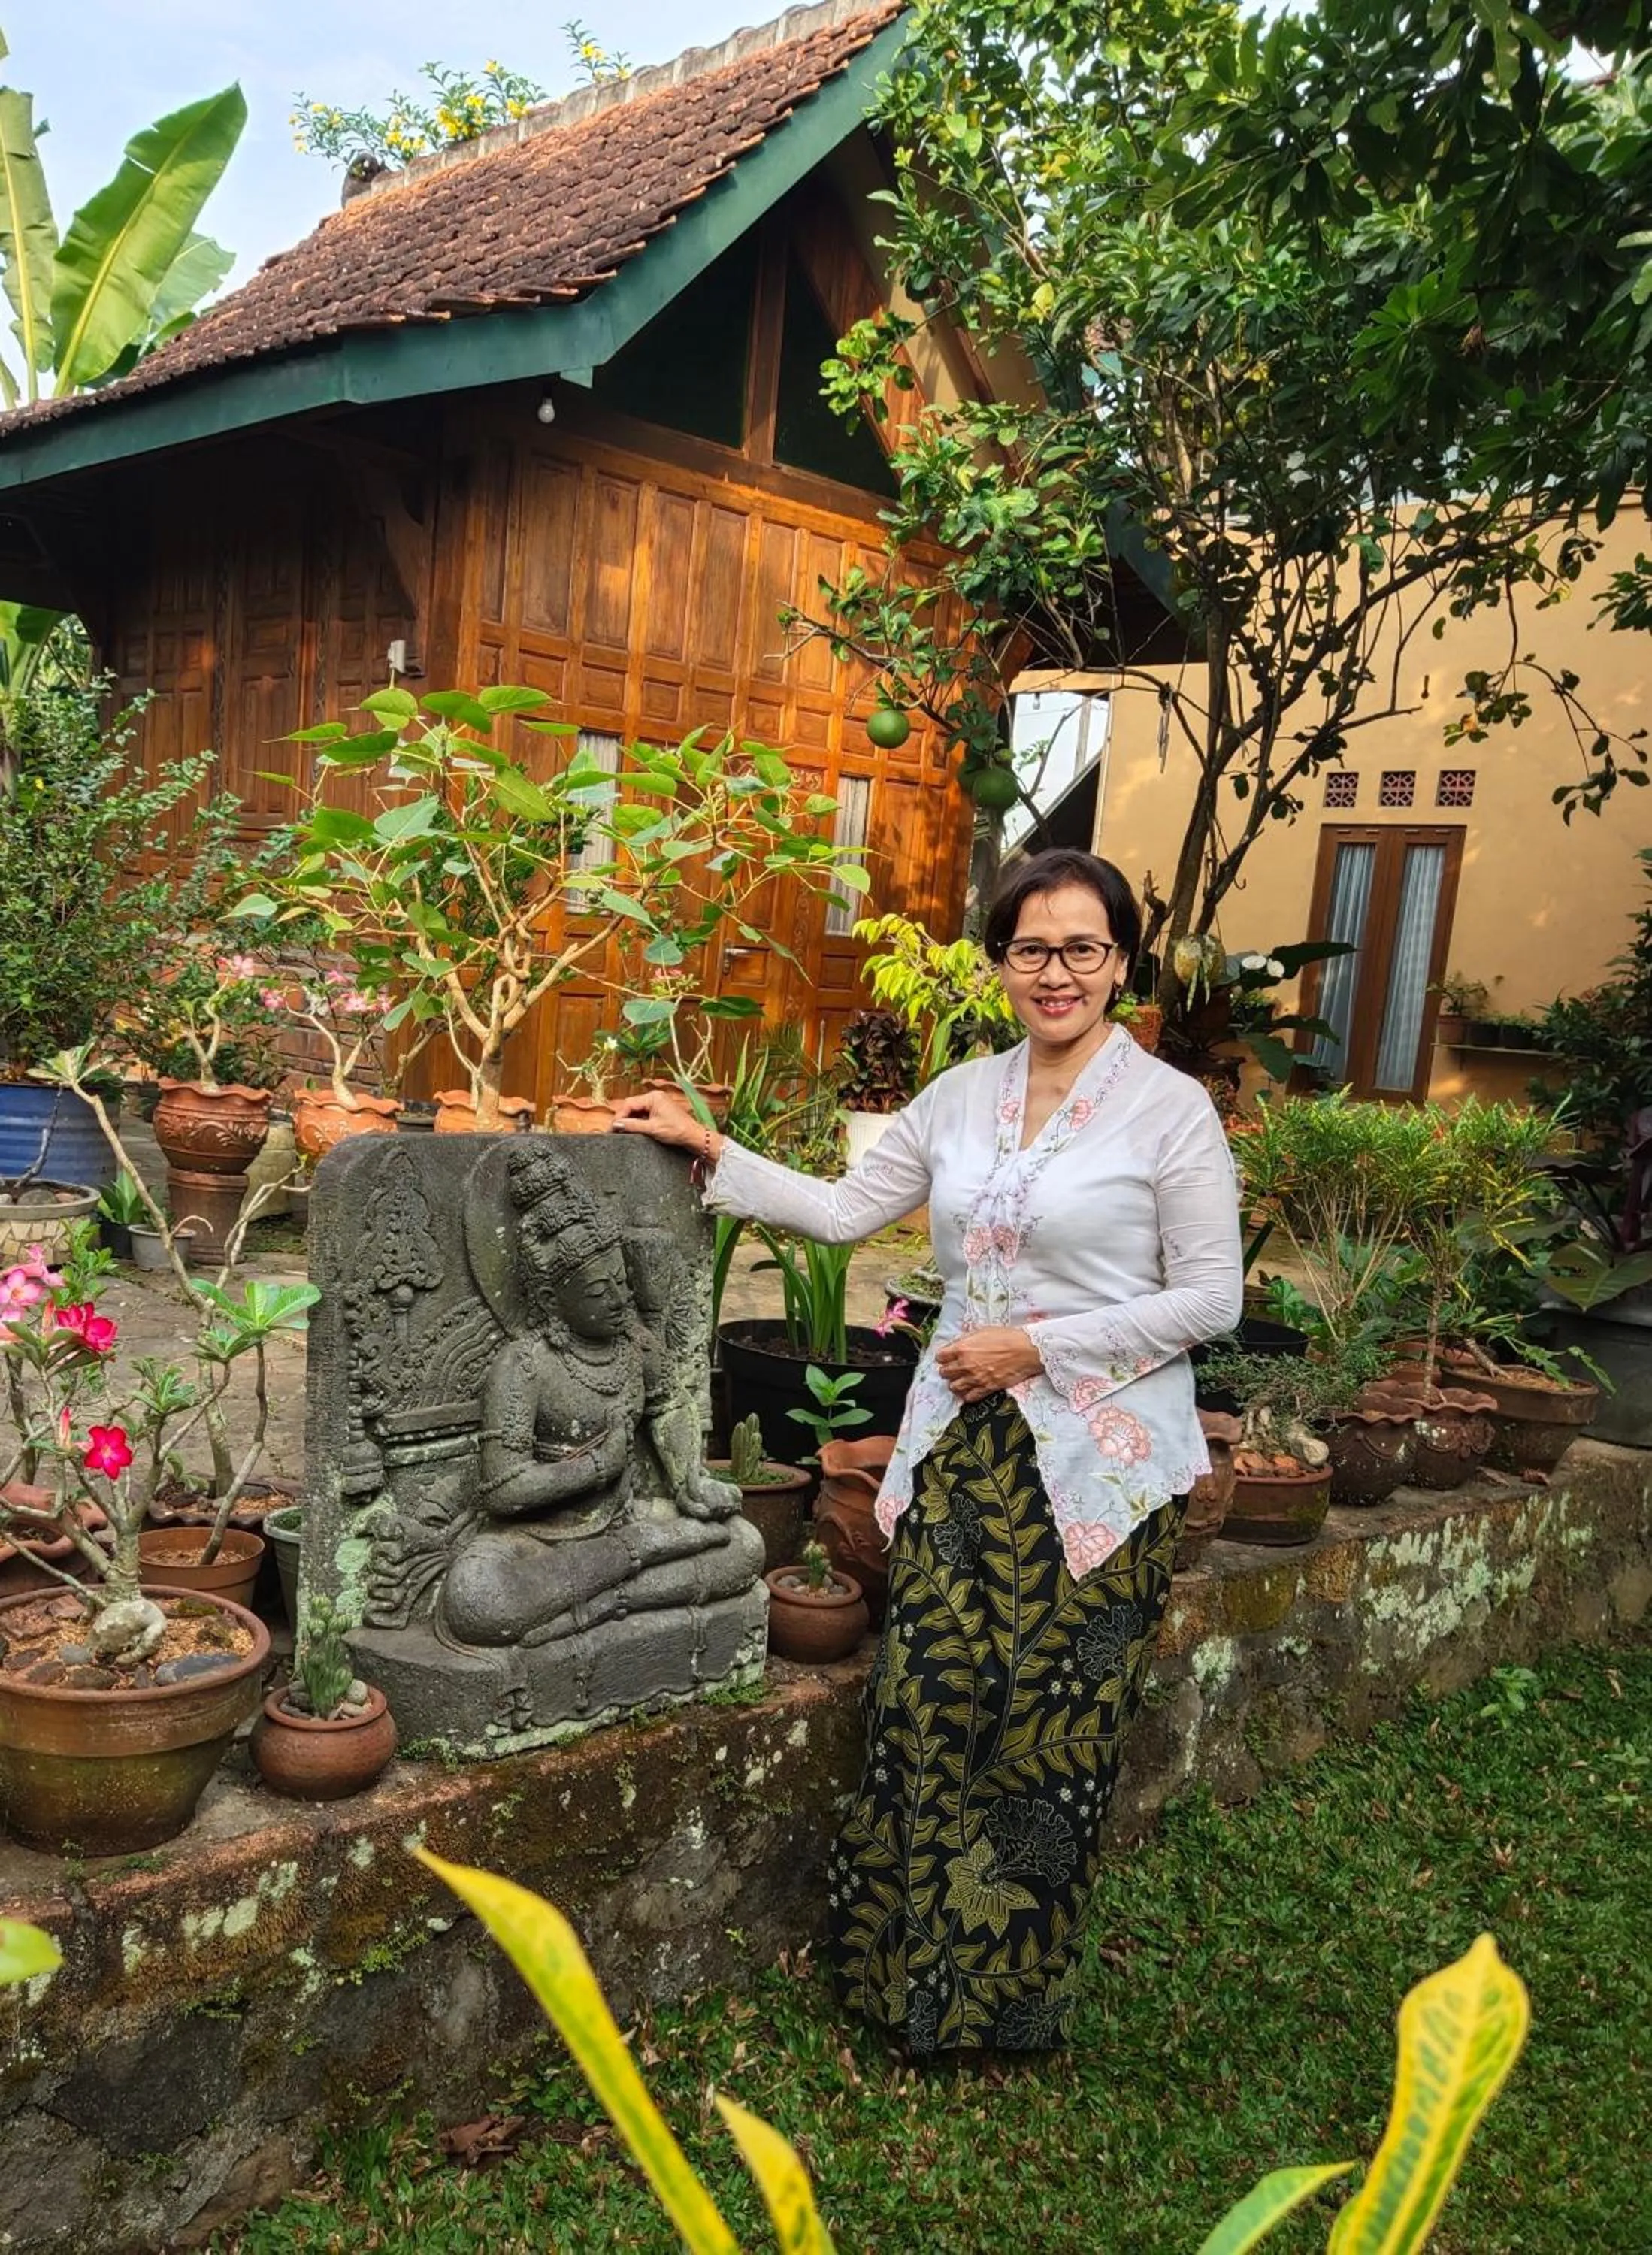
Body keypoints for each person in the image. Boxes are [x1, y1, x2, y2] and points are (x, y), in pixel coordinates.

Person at [612, 849, 1242, 2055]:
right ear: (998, 959)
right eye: (1030, 948)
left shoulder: (1172, 1110)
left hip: (1098, 1472)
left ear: (1120, 962)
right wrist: (709, 1149)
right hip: (963, 1454)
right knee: (928, 1706)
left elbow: (1211, 1297)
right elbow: (849, 1210)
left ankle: (1002, 2006)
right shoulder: (961, 1095)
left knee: (1049, 1733)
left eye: (1083, 949)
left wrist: (1034, 1348)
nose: (1055, 973)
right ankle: (896, 1980)